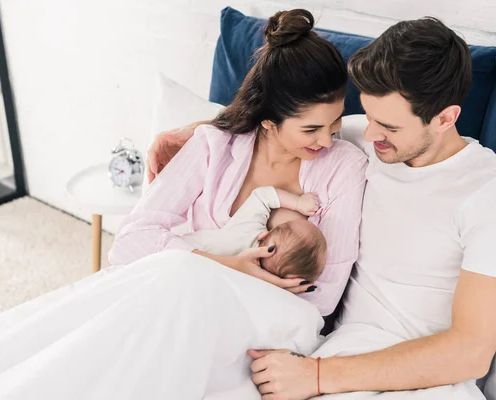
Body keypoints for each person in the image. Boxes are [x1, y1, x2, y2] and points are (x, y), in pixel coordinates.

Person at [149, 17, 496, 400]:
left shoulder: (492, 190)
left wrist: (316, 376)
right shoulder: (369, 144)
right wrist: (196, 131)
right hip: (335, 350)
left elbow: (471, 352)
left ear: (446, 118)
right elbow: (280, 123)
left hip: (424, 381)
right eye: (367, 116)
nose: (368, 133)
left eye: (387, 126)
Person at [109, 8, 368, 317]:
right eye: (311, 129)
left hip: (260, 325)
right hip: (175, 298)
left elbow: (323, 297)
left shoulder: (344, 168)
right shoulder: (212, 146)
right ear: (269, 120)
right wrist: (227, 267)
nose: (327, 141)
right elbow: (129, 241)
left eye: (335, 123)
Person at [180, 186, 327, 282]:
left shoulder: (247, 231)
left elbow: (261, 196)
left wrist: (298, 203)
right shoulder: (257, 287)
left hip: (181, 251)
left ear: (265, 235)